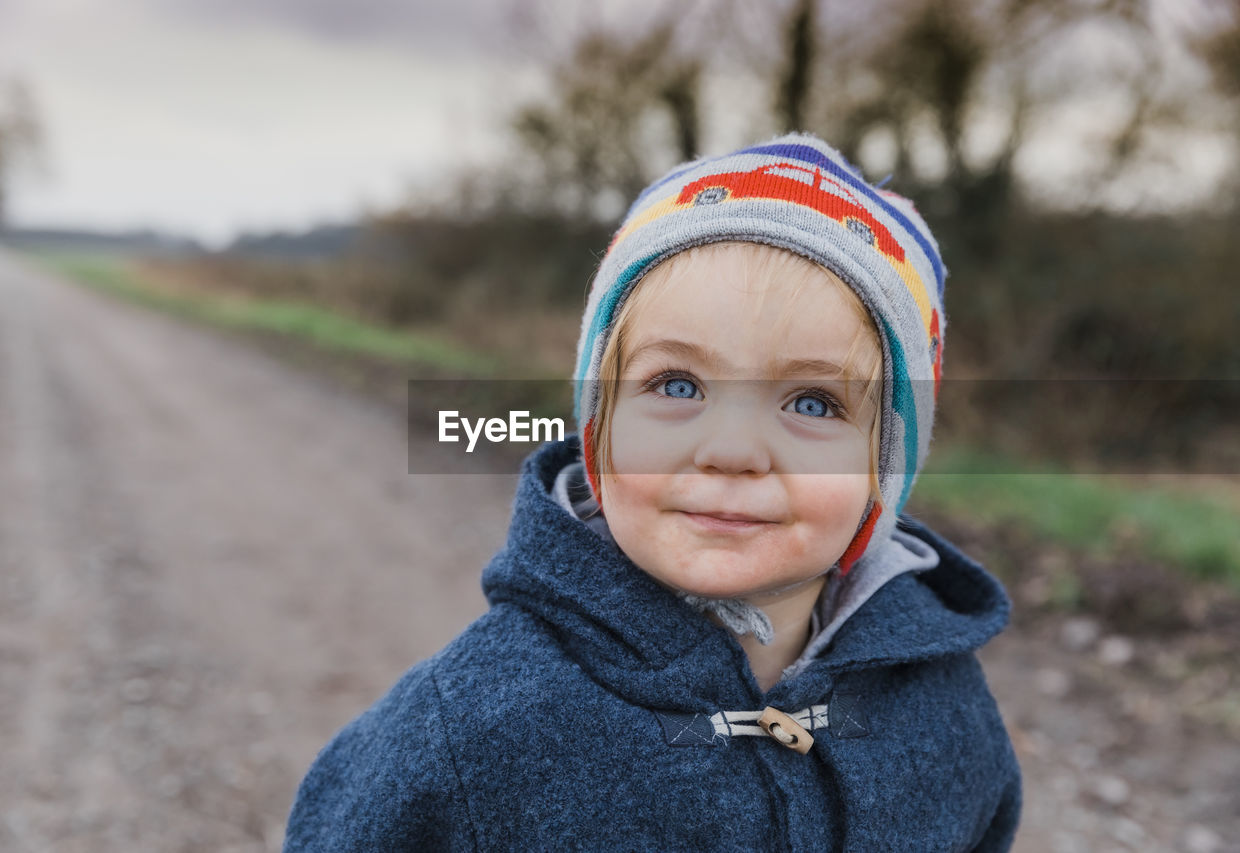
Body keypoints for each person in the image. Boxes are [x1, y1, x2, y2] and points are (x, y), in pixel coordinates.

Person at [282, 133, 1021, 851]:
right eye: (677, 385)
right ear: (600, 426)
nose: (731, 451)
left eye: (813, 402)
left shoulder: (944, 708)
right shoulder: (474, 729)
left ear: (883, 469)